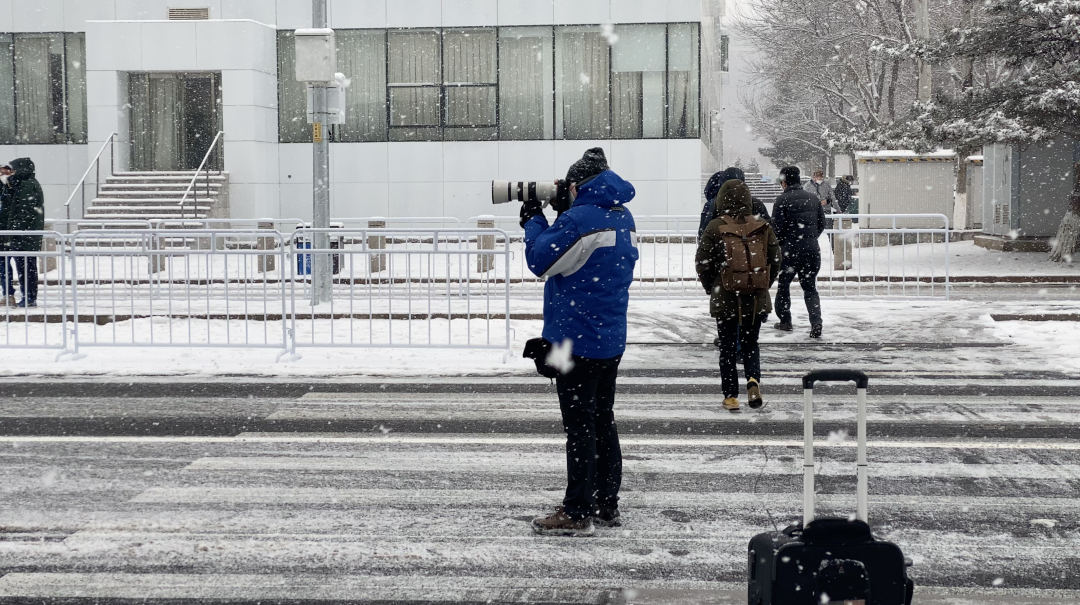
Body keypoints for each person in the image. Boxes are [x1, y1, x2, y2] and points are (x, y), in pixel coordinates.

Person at [522, 148, 639, 537]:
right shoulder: (621, 215)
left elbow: (540, 260)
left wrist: (534, 220)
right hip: (610, 338)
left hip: (574, 342)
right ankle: (606, 504)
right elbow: (581, 260)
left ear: (576, 185)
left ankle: (577, 511)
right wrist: (563, 215)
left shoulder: (579, 220)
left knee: (579, 428)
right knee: (602, 420)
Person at [696, 180, 780, 411]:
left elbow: (702, 262)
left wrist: (713, 287)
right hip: (755, 297)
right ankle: (752, 380)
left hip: (725, 297)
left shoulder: (716, 226)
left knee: (727, 347)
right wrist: (763, 284)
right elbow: (775, 259)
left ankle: (731, 396)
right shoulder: (761, 225)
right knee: (750, 343)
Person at [772, 166, 825, 338]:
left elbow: (776, 229)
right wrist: (810, 238)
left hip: (789, 253)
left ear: (784, 182)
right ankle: (816, 322)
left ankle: (785, 321)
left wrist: (784, 242)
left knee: (783, 285)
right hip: (811, 251)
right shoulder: (813, 199)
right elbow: (821, 224)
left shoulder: (782, 200)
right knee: (810, 288)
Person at [1, 158, 44, 308]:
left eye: (14, 169)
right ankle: (28, 297)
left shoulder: (27, 185)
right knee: (25, 268)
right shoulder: (22, 184)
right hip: (23, 236)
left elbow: (23, 212)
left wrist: (13, 231)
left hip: (24, 236)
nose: (12, 172)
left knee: (26, 269)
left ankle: (29, 298)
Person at [698, 166, 771, 241]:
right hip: (753, 246)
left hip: (721, 246)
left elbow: (703, 235)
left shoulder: (713, 204)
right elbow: (769, 232)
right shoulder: (755, 203)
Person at [0, 164, 14, 307]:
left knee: (4, 264)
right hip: (5, 231)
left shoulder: (12, 186)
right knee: (3, 265)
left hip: (8, 232)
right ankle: (8, 293)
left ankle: (9, 294)